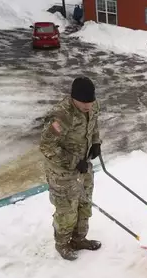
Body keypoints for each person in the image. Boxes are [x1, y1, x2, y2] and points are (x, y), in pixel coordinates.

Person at [39, 76, 102, 261]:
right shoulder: (61, 115)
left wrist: (96, 142)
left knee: (84, 203)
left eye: (90, 102)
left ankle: (79, 239)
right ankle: (63, 244)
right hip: (62, 171)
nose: (88, 107)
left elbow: (94, 124)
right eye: (83, 103)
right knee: (67, 209)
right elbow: (47, 146)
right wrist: (74, 161)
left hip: (84, 166)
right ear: (73, 98)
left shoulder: (92, 105)